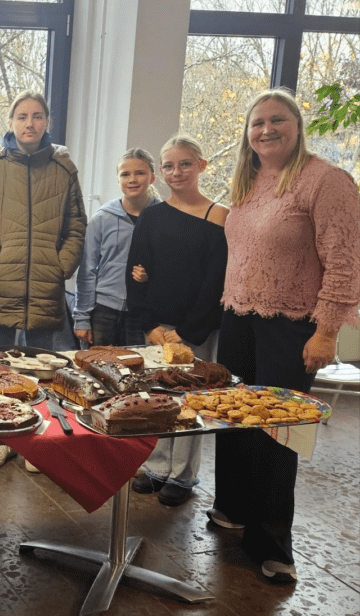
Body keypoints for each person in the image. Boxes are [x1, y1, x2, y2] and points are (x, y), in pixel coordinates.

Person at [212, 88, 359, 583]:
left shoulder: (326, 180)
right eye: (258, 122)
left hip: (292, 324)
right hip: (238, 317)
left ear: (297, 127)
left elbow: (345, 263)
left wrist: (326, 332)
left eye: (278, 120)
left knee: (280, 430)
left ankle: (272, 543)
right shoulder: (248, 180)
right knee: (233, 416)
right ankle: (232, 509)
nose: (266, 129)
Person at [0, 91, 86, 470]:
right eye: (22, 116)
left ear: (47, 122)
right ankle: (1, 437)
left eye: (37, 116)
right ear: (11, 122)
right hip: (2, 284)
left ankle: (34, 442)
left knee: (40, 370)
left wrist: (60, 267)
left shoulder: (64, 169)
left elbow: (76, 225)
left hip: (45, 287)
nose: (29, 123)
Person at [126, 135, 228, 507]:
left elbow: (216, 282)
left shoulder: (219, 215)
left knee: (190, 400)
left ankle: (183, 475)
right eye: (169, 166)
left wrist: (186, 333)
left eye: (185, 164)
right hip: (158, 329)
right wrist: (150, 326)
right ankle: (156, 467)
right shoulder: (152, 215)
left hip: (196, 329)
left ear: (201, 166)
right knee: (158, 397)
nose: (176, 172)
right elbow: (136, 271)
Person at [73, 148, 161, 347]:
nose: (132, 180)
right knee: (96, 363)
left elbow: (167, 268)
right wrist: (82, 318)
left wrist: (150, 275)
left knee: (138, 364)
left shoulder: (163, 218)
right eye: (125, 174)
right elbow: (87, 270)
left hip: (143, 314)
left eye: (140, 173)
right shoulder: (102, 219)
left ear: (152, 177)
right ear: (118, 179)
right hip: (102, 311)